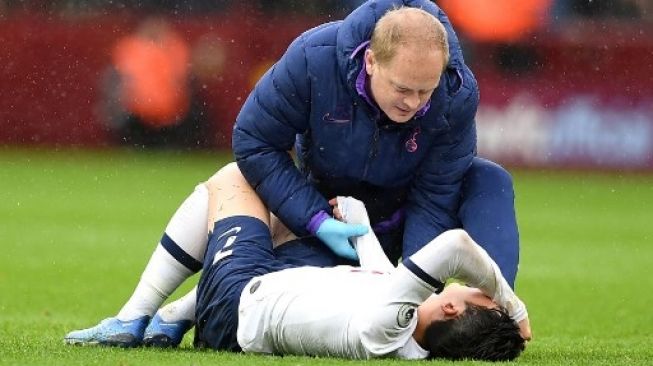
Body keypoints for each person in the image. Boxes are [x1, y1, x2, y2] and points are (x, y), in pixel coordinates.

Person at [67, 163, 531, 361]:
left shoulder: (387, 325)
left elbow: (454, 245)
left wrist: (514, 307)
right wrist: (357, 217)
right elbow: (378, 272)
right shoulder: (404, 330)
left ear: (453, 309)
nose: (482, 290)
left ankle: (134, 317)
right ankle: (171, 318)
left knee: (237, 178)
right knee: (292, 219)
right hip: (254, 305)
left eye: (481, 298)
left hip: (237, 302)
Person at [231, 0, 522, 289]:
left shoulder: (455, 92)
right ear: (370, 61)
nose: (412, 103)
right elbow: (255, 141)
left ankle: (493, 313)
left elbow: (436, 196)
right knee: (234, 182)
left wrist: (416, 285)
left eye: (425, 91)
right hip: (330, 217)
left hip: (404, 216)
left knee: (490, 179)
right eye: (402, 88)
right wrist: (314, 219)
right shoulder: (312, 60)